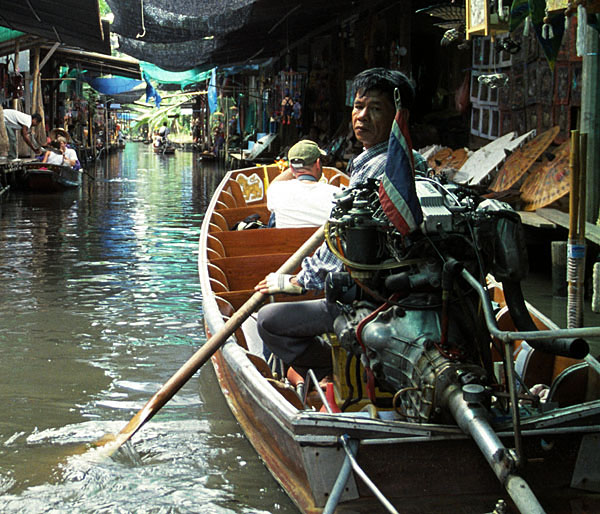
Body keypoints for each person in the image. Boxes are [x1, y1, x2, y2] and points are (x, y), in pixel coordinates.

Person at [254, 68, 416, 379]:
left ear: (399, 116)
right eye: (358, 106)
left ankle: (337, 370)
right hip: (389, 291)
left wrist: (300, 281)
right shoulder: (405, 159)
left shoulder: (377, 170)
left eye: (376, 109)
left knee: (267, 321)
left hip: (368, 299)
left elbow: (340, 240)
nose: (362, 117)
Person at [267, 140, 340, 228]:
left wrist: (295, 166)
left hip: (287, 241)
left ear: (291, 167)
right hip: (321, 241)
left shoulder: (276, 190)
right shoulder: (336, 194)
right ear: (317, 164)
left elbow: (272, 186)